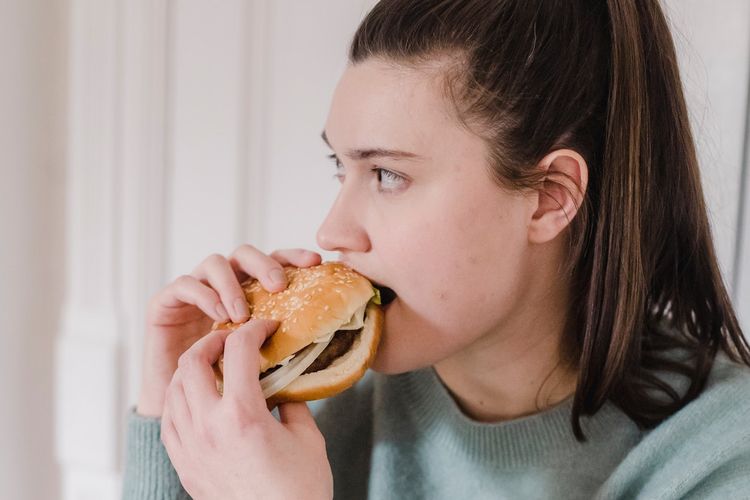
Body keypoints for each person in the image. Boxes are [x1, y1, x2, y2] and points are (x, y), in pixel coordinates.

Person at [122, 0, 750, 498]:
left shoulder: (717, 459)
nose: (331, 232)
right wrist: (170, 419)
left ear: (549, 197)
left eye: (388, 175)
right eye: (340, 169)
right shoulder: (300, 416)